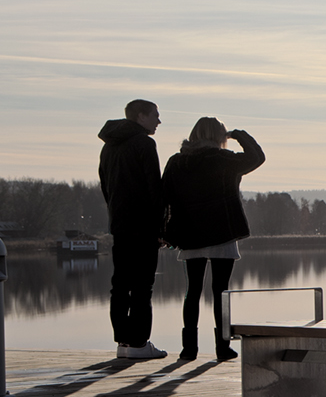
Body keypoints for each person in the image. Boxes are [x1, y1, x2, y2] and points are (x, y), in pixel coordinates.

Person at [161, 118, 265, 362]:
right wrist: (240, 134)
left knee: (192, 291)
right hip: (222, 232)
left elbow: (163, 198)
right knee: (221, 292)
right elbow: (256, 158)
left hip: (190, 234)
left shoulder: (177, 162)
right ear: (221, 135)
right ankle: (222, 346)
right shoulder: (223, 160)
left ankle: (189, 348)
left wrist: (164, 232)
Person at [97, 99, 167, 360]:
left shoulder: (109, 148)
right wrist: (161, 227)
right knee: (142, 286)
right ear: (141, 116)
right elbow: (154, 189)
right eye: (155, 116)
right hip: (143, 226)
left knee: (120, 284)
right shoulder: (144, 144)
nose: (159, 121)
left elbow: (106, 187)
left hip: (120, 225)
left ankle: (123, 342)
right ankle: (139, 343)